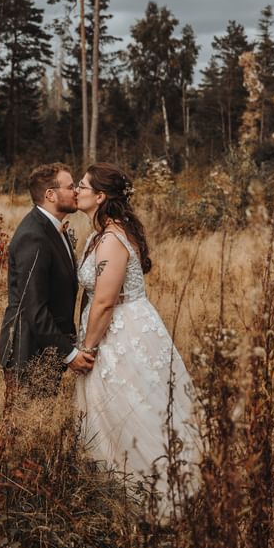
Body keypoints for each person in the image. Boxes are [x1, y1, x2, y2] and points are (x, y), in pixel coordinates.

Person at [75, 163, 203, 514]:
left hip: (121, 334)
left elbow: (103, 301)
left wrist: (86, 348)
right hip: (114, 330)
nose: (76, 190)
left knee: (131, 407)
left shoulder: (113, 239)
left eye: (82, 185)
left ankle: (158, 496)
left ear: (100, 197)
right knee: (113, 409)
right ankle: (114, 495)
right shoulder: (99, 235)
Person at [0, 163, 95, 398]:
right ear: (50, 194)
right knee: (20, 428)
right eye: (70, 186)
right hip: (28, 352)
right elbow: (35, 309)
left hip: (45, 349)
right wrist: (69, 354)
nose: (76, 192)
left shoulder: (51, 228)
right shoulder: (34, 236)